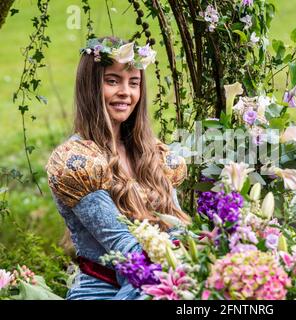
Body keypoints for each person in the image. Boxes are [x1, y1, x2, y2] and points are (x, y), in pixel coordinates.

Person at [45, 37, 191, 300]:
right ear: (90, 87)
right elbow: (126, 250)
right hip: (103, 291)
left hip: (160, 281)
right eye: (113, 81)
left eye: (133, 83)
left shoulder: (154, 155)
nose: (126, 92)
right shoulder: (77, 161)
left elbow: (177, 225)